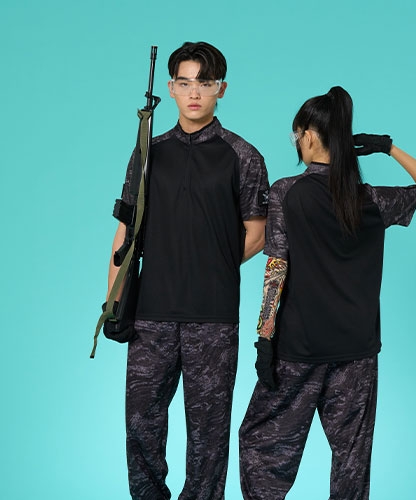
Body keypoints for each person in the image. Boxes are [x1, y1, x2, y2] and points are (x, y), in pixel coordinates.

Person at [238, 86, 416, 499]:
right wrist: (387, 148)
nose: (296, 143)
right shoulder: (370, 199)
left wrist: (264, 337)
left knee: (262, 447)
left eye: (296, 135)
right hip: (357, 350)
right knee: (352, 460)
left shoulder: (286, 192)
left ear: (310, 135)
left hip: (299, 348)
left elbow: (276, 267)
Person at [106, 41, 269, 499]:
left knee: (208, 438)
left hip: (212, 318)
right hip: (151, 315)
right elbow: (125, 233)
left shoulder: (243, 156)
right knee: (141, 426)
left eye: (205, 82)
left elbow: (257, 232)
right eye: (184, 82)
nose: (194, 92)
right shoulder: (149, 152)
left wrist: (209, 262)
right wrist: (113, 302)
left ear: (221, 89)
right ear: (171, 88)